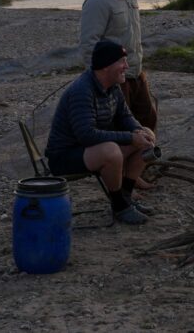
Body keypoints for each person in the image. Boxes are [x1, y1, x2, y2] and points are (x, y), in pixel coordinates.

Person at [45, 40, 157, 225]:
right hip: (65, 157)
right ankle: (119, 207)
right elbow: (86, 135)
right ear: (106, 65)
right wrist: (130, 137)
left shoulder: (112, 86)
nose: (126, 66)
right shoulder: (82, 91)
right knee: (111, 151)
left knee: (146, 136)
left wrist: (139, 131)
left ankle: (126, 197)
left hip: (89, 150)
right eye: (122, 61)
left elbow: (125, 116)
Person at [80, 0, 159, 142]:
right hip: (114, 76)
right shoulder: (98, 0)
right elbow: (88, 44)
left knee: (148, 120)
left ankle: (142, 159)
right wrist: (100, 80)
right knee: (119, 128)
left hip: (135, 72)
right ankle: (121, 161)